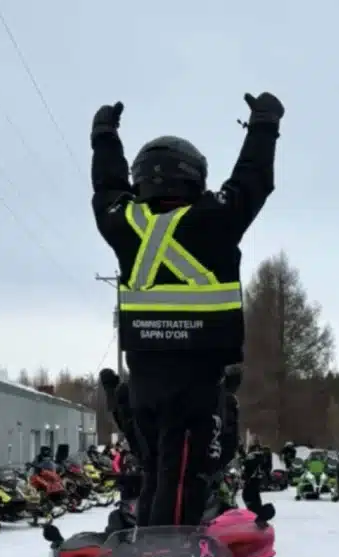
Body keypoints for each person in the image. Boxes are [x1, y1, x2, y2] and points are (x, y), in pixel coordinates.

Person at [89, 91, 284, 528]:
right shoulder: (215, 218)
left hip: (144, 381)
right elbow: (253, 179)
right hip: (197, 383)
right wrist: (264, 125)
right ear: (194, 179)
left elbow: (106, 188)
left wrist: (104, 138)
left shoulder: (125, 224)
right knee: (186, 484)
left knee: (156, 474)